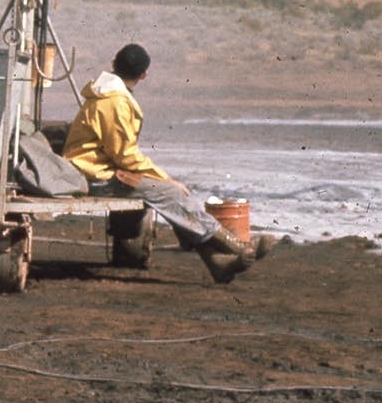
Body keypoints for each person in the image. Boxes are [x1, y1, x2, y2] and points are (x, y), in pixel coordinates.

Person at [62, 43, 266, 283]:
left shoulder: (107, 92)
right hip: (93, 175)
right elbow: (125, 155)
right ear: (143, 75)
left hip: (99, 169)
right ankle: (235, 247)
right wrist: (165, 178)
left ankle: (217, 262)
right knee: (170, 193)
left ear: (114, 64)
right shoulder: (114, 100)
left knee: (171, 197)